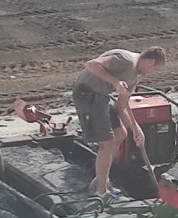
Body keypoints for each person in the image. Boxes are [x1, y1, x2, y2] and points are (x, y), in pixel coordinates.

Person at [72, 46, 167, 202]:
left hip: (102, 98)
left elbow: (121, 106)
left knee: (121, 133)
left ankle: (100, 180)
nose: (153, 72)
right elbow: (91, 64)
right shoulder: (125, 60)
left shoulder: (135, 76)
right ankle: (101, 193)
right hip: (87, 94)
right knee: (107, 143)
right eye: (155, 68)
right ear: (149, 61)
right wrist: (115, 82)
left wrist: (136, 129)